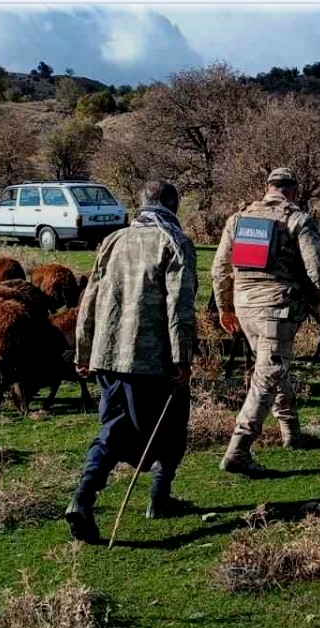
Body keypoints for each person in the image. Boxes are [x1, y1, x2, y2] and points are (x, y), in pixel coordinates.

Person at [65, 180, 198, 543]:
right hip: (153, 360)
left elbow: (89, 298)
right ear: (173, 204)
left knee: (112, 430)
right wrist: (182, 358)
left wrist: (84, 351)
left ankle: (84, 497)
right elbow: (180, 306)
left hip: (108, 355)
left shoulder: (113, 240)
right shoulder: (176, 242)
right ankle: (159, 497)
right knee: (172, 427)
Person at [212, 168, 320, 476]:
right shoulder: (298, 220)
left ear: (267, 188)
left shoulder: (238, 219)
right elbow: (318, 270)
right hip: (277, 308)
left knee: (274, 367)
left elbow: (219, 269)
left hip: (245, 306)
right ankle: (238, 450)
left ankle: (291, 432)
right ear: (293, 191)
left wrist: (225, 307)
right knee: (268, 375)